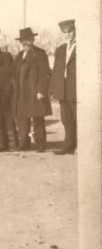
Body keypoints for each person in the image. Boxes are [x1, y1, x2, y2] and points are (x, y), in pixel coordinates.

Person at [12, 27, 52, 152]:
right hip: (21, 93)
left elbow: (46, 73)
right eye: (23, 40)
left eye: (28, 40)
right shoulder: (18, 56)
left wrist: (42, 91)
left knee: (37, 118)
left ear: (32, 39)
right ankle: (24, 144)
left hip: (34, 92)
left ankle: (40, 145)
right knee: (22, 119)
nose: (25, 43)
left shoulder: (39, 53)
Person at [50, 19, 77, 155]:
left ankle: (79, 145)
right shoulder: (60, 49)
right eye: (65, 32)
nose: (68, 35)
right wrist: (53, 89)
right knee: (66, 118)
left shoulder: (83, 47)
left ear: (75, 30)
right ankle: (68, 146)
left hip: (76, 88)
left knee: (77, 117)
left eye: (70, 31)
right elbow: (56, 70)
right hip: (63, 88)